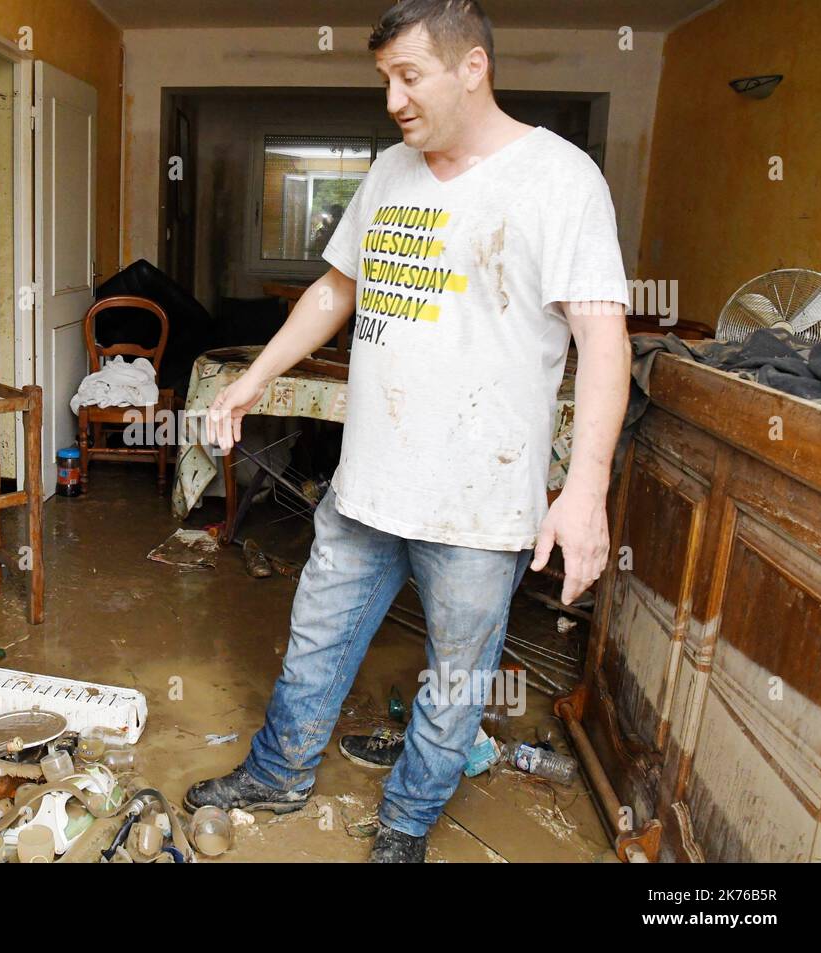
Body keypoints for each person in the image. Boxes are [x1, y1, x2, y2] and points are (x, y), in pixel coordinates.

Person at [185, 0, 631, 863]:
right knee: (317, 635)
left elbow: (604, 338)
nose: (392, 98)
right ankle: (279, 772)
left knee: (456, 679)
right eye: (384, 78)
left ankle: (406, 824)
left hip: (478, 499)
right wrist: (252, 378)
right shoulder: (391, 169)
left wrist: (584, 491)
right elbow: (333, 290)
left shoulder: (560, 178)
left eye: (409, 75)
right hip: (368, 483)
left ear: (472, 69)